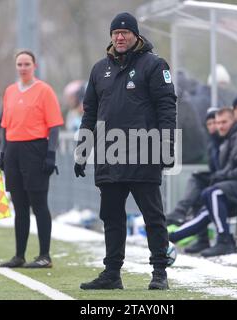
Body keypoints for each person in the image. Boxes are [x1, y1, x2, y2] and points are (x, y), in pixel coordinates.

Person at [74, 12, 176, 290]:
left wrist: (166, 146)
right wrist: (83, 149)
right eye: (115, 33)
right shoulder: (99, 70)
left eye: (125, 33)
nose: (120, 37)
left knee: (153, 216)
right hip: (109, 156)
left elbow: (167, 108)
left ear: (135, 35)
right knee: (111, 217)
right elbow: (90, 113)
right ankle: (112, 274)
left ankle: (159, 273)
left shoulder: (154, 65)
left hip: (144, 153)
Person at [0, 50, 64, 268]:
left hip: (35, 149)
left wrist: (50, 155)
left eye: (27, 64)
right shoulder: (9, 91)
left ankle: (45, 256)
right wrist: (2, 153)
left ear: (34, 66)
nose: (23, 67)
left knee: (39, 204)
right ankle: (19, 255)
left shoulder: (44, 91)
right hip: (13, 151)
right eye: (19, 64)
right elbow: (5, 126)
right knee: (19, 205)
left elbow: (54, 125)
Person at [168, 107, 237, 253]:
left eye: (217, 122)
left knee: (204, 191)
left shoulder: (230, 139)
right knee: (197, 183)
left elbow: (229, 168)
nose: (215, 126)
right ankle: (201, 239)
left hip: (228, 184)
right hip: (221, 181)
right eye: (210, 124)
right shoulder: (213, 142)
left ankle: (176, 228)